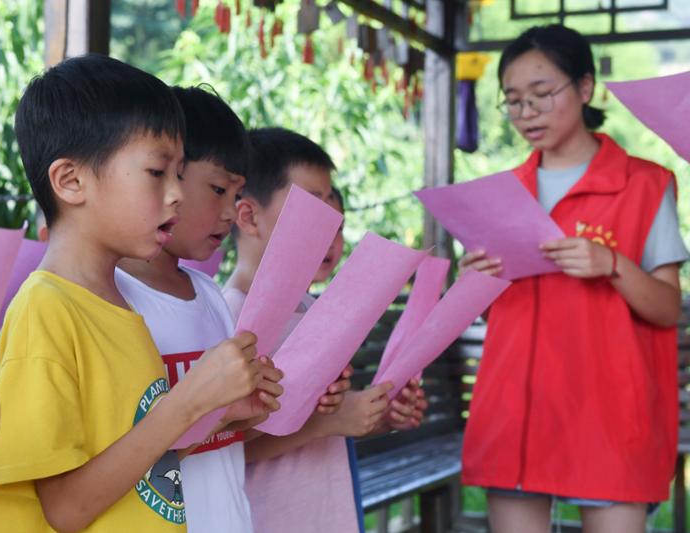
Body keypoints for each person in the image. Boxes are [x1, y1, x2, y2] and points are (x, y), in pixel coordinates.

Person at [0, 55, 263, 533]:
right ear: (71, 181)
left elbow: (138, 470)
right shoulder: (44, 309)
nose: (176, 194)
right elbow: (65, 508)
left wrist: (217, 415)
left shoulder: (118, 306)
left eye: (179, 174)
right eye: (157, 172)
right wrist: (189, 402)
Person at [459, 24, 688, 533]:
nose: (527, 112)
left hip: (608, 418)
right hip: (516, 416)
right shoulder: (501, 195)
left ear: (585, 88)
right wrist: (474, 283)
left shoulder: (645, 184)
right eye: (513, 100)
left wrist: (613, 265)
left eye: (542, 93)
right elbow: (496, 315)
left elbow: (668, 308)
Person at [224, 127, 426, 533]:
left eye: (336, 219)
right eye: (313, 209)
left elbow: (327, 420)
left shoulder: (315, 310)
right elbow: (220, 448)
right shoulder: (227, 317)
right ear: (248, 216)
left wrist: (380, 415)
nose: (330, 231)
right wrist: (327, 423)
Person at [115, 85, 284, 533]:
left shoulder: (209, 294)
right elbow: (126, 458)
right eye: (218, 189)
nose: (229, 212)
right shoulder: (116, 299)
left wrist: (250, 408)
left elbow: (225, 438)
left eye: (236, 195)